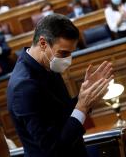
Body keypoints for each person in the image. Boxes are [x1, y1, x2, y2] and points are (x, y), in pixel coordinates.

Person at [7, 14, 113, 157]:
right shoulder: (24, 87)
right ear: (43, 43)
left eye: (70, 53)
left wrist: (85, 95)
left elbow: (61, 113)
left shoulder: (47, 64)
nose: (68, 59)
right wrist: (82, 106)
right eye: (64, 53)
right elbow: (52, 149)